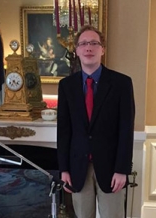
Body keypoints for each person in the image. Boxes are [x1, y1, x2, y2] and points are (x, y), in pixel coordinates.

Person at [57, 25, 135, 218]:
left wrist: (122, 170)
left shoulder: (122, 84)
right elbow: (64, 131)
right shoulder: (66, 86)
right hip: (78, 168)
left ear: (103, 49)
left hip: (111, 169)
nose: (88, 48)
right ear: (76, 50)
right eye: (83, 44)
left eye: (94, 43)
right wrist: (64, 169)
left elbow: (126, 130)